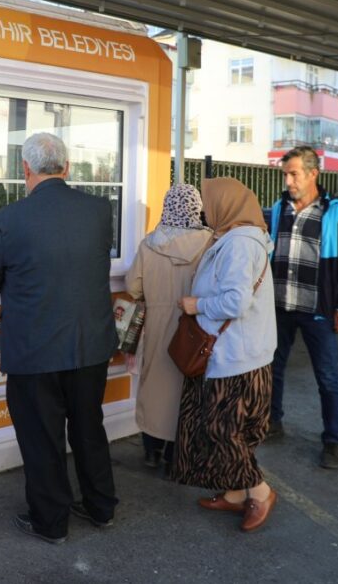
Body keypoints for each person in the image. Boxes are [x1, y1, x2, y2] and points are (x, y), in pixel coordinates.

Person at [0, 133, 119, 544]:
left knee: (42, 439)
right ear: (67, 167)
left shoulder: (9, 218)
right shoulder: (98, 210)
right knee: (89, 427)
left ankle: (51, 521)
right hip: (89, 344)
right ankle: (101, 506)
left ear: (25, 170)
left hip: (36, 349)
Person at [172, 177, 278, 533]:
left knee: (220, 430)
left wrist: (195, 304)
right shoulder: (242, 238)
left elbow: (236, 301)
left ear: (225, 205)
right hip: (247, 351)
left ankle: (260, 492)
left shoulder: (238, 245)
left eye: (209, 202)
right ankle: (235, 493)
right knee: (235, 429)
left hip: (234, 355)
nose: (204, 209)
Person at [267, 146, 338, 470]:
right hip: (280, 305)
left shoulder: (334, 212)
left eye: (294, 174)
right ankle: (272, 422)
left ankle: (332, 441)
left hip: (316, 309)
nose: (288, 180)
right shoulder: (279, 209)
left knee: (327, 376)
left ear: (313, 173)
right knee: (273, 368)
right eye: (286, 174)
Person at [124, 184, 212, 472]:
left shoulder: (150, 243)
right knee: (185, 385)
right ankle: (176, 454)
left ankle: (151, 450)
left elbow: (132, 287)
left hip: (157, 324)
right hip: (194, 327)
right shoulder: (210, 242)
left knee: (154, 385)